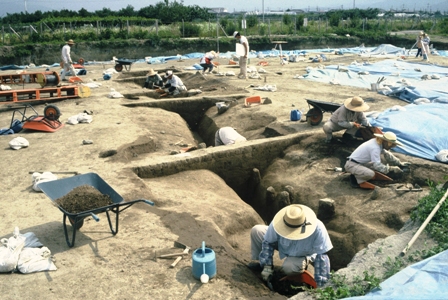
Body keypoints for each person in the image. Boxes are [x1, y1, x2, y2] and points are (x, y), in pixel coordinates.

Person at [249, 204, 333, 288]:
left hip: (302, 254)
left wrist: (321, 285)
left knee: (289, 268)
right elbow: (268, 242)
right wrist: (267, 265)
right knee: (257, 231)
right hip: (282, 244)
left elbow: (321, 256)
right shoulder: (278, 222)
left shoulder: (318, 228)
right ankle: (261, 265)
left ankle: (301, 264)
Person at [345, 131, 411, 189]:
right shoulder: (375, 148)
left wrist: (399, 163)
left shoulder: (378, 142)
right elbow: (377, 166)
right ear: (385, 141)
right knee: (371, 174)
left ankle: (357, 173)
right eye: (391, 144)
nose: (391, 147)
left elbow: (387, 154)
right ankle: (356, 181)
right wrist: (391, 169)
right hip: (351, 165)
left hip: (359, 163)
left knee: (375, 164)